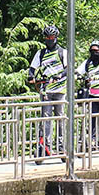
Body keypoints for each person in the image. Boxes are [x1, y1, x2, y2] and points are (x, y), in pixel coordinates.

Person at [27, 24, 67, 158]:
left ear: (56, 37)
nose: (49, 39)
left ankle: (61, 146)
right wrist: (31, 76)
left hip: (60, 89)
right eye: (47, 37)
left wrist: (59, 76)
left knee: (60, 117)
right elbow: (32, 68)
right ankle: (45, 145)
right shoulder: (41, 53)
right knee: (46, 118)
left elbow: (68, 69)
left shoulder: (63, 52)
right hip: (46, 90)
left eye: (52, 37)